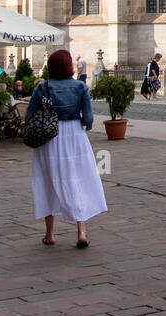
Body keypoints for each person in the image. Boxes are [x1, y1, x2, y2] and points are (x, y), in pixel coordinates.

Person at [25, 49, 106, 248]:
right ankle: (81, 232)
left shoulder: (42, 87)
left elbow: (29, 116)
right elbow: (88, 117)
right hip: (75, 134)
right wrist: (84, 126)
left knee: (47, 181)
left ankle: (50, 234)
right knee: (78, 178)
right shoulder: (80, 86)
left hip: (49, 136)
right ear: (69, 66)